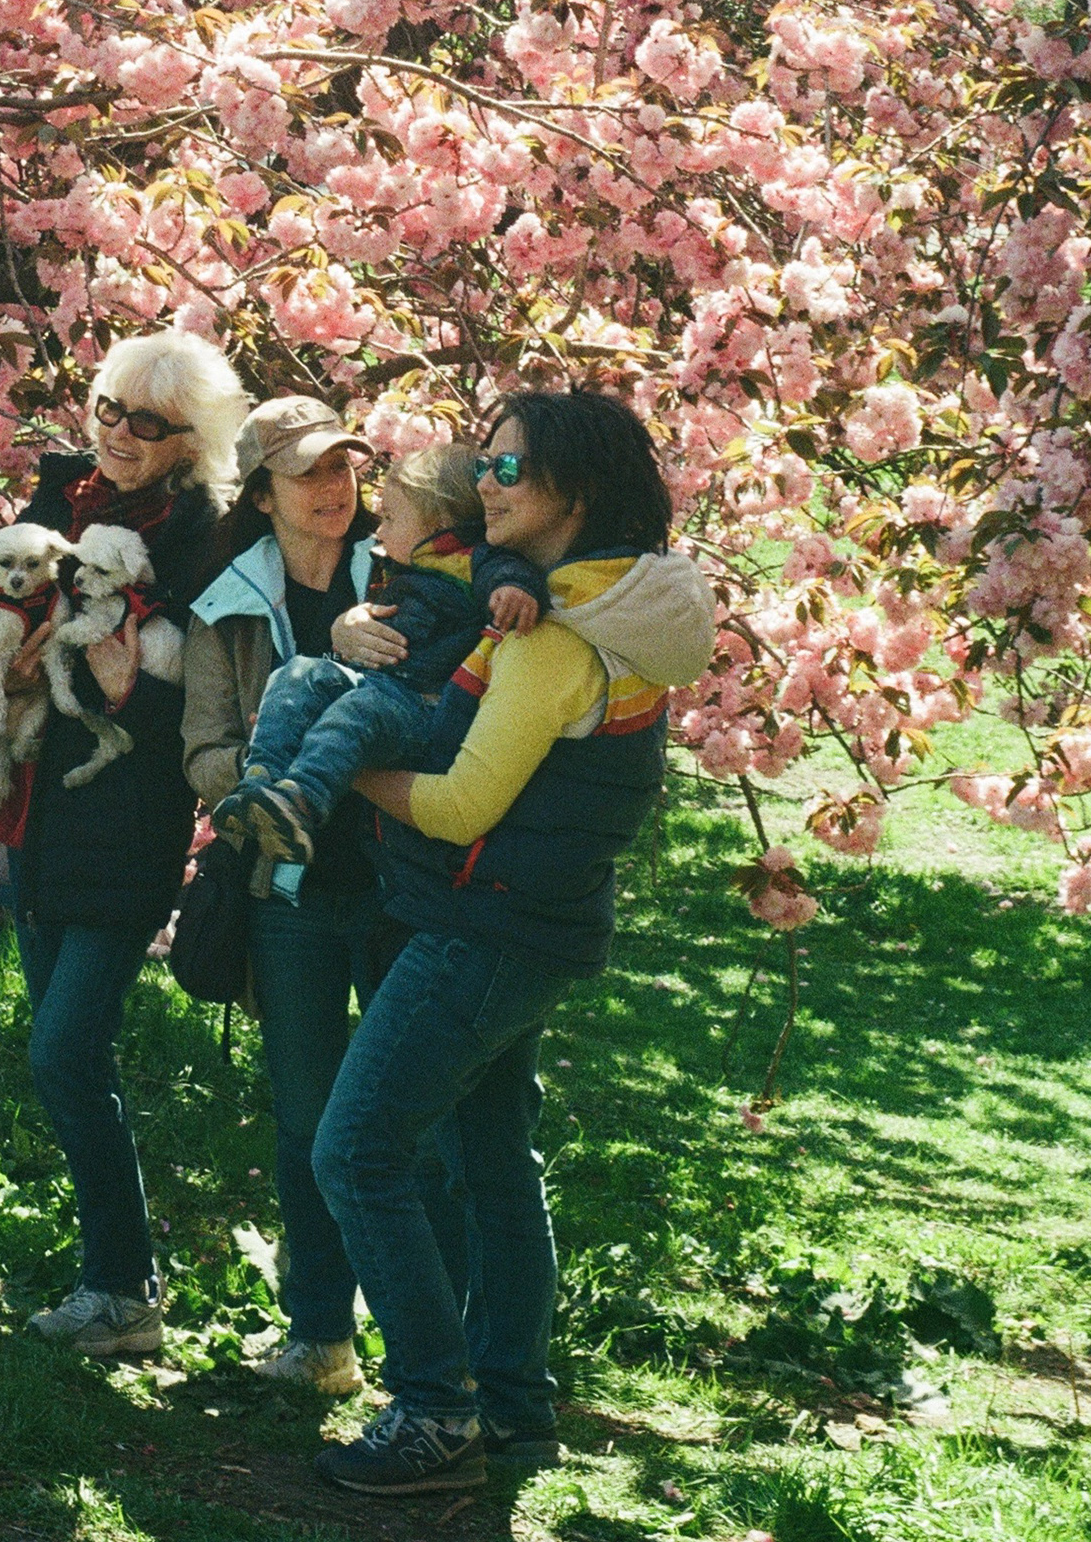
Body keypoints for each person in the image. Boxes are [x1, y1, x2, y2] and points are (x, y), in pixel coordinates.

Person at [310, 389, 715, 1499]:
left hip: (479, 928)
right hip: (534, 926)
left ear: (575, 494)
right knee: (490, 1162)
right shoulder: (605, 611)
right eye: (483, 466)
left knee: (356, 1151)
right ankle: (516, 1408)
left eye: (508, 470)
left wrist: (337, 767)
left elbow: (455, 806)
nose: (484, 484)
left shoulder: (556, 643)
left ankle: (438, 1409)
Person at [0, 328, 246, 1360]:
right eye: (108, 407)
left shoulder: (206, 542)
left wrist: (119, 684)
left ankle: (121, 1286)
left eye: (145, 423)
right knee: (72, 1052)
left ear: (188, 441)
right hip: (29, 811)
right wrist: (10, 662)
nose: (115, 434)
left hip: (123, 821)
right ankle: (119, 1282)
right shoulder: (55, 496)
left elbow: (203, 697)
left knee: (65, 1047)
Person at [183, 399, 475, 1397]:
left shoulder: (409, 575)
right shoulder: (226, 605)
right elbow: (203, 755)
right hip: (293, 895)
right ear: (261, 492)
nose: (334, 489)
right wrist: (289, 730)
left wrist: (341, 744)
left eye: (347, 468)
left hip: (405, 885)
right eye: (307, 473)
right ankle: (321, 1339)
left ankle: (440, 1348)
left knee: (419, 1124)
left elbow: (457, 712)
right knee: (309, 1119)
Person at [208, 441, 545, 871]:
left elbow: (507, 569)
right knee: (298, 674)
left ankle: (302, 799)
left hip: (423, 706)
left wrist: (513, 590)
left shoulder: (470, 559)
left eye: (389, 518)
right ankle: (261, 778)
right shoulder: (404, 564)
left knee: (357, 712)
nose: (379, 532)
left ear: (438, 523)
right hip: (382, 687)